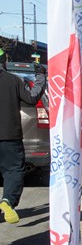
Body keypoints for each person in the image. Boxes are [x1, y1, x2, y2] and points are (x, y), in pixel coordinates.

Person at [0, 51, 46, 224]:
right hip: (9, 137)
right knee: (13, 171)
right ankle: (7, 201)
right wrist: (40, 76)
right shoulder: (12, 80)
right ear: (4, 62)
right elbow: (32, 97)